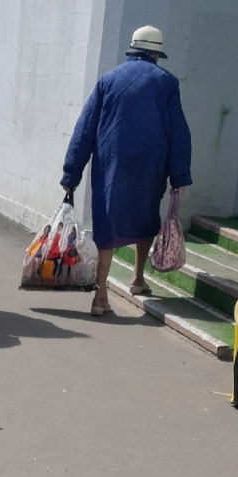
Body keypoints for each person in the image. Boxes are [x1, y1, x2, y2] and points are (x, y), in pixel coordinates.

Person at [61, 26, 192, 316]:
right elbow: (178, 132)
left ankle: (100, 296)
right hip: (150, 162)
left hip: (111, 162)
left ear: (132, 51)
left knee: (107, 224)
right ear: (156, 54)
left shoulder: (107, 80)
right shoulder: (167, 82)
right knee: (146, 217)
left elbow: (85, 129)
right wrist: (179, 175)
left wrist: (71, 174)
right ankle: (137, 278)